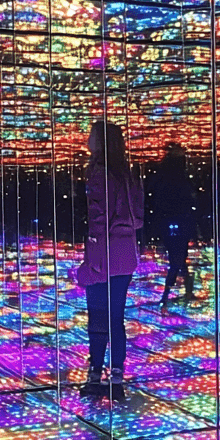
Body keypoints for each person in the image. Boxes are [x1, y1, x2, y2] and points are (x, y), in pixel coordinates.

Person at [75, 121, 144, 401]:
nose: (87, 140)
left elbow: (98, 219)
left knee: (98, 316)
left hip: (103, 253)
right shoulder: (126, 174)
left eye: (91, 135)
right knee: (116, 317)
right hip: (125, 253)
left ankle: (95, 373)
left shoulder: (99, 174)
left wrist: (91, 261)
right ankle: (116, 376)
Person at [153, 142, 196, 308]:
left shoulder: (163, 178)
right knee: (178, 259)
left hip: (169, 222)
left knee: (177, 259)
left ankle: (173, 292)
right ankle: (175, 292)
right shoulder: (181, 180)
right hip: (180, 222)